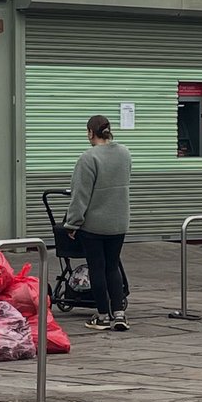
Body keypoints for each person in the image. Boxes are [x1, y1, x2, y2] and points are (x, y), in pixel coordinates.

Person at [64, 114, 132, 332]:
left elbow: (80, 194)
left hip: (94, 224)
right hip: (119, 222)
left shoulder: (88, 158)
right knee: (113, 266)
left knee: (97, 268)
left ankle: (102, 316)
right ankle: (120, 314)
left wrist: (72, 224)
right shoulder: (124, 153)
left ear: (90, 132)